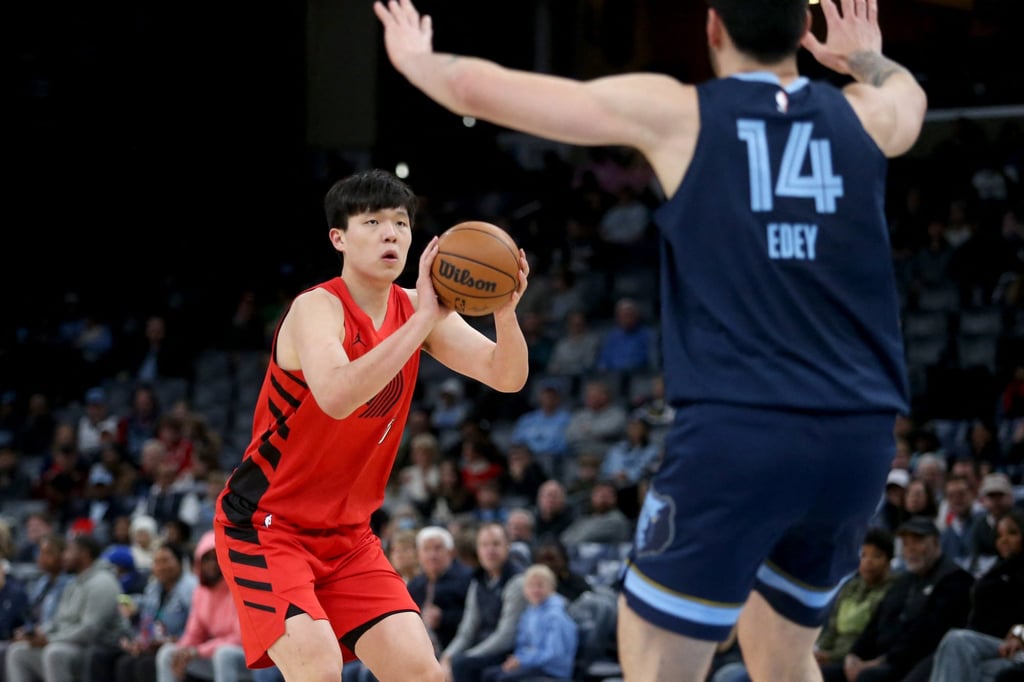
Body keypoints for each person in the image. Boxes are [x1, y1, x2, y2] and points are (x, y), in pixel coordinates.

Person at [375, 0, 928, 679]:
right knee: (781, 647)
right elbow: (908, 98)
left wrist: (413, 57)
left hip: (742, 429)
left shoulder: (682, 112)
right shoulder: (860, 115)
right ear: (800, 31)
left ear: (713, 27)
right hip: (860, 437)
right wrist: (862, 57)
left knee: (652, 653)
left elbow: (473, 87)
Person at [213, 168, 530, 682]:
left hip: (349, 535)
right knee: (318, 669)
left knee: (422, 672)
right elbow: (338, 396)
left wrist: (505, 310)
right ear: (338, 238)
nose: (391, 234)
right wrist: (423, 321)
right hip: (267, 525)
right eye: (373, 222)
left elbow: (507, 376)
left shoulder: (417, 308)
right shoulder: (317, 308)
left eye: (401, 223)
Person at [480, 564, 578, 682]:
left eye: (540, 585)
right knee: (489, 674)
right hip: (532, 664)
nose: (535, 590)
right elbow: (523, 644)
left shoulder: (556, 615)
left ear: (551, 588)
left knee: (504, 679)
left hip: (552, 670)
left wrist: (522, 661)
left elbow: (554, 654)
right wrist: (517, 659)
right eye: (531, 586)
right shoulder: (529, 612)